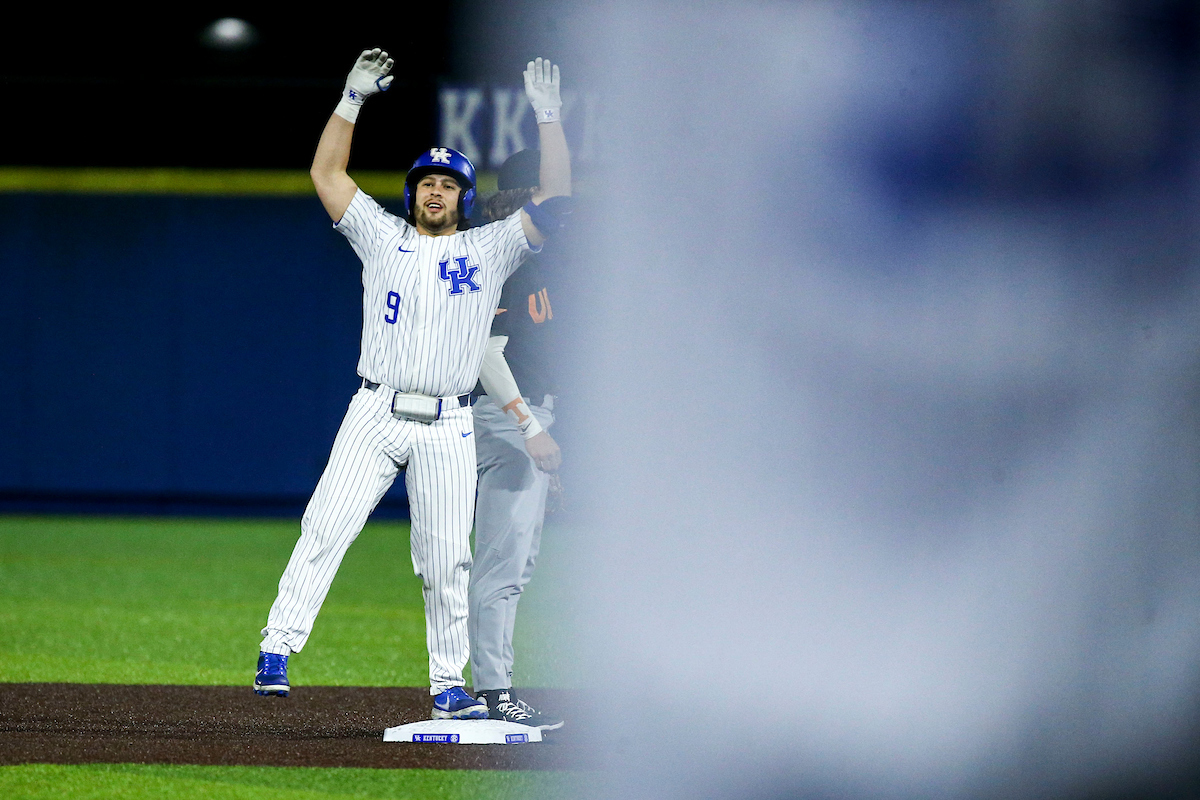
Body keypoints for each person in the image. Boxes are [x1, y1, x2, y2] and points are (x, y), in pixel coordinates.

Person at [253, 48, 572, 722]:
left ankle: (448, 685)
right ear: (411, 194)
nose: (435, 191)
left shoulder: (490, 248)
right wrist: (350, 99)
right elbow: (326, 173)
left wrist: (549, 118)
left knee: (446, 560)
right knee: (325, 526)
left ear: (463, 198)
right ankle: (276, 647)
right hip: (375, 410)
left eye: (448, 184)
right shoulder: (381, 236)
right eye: (426, 181)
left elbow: (554, 200)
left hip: (451, 422)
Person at [468, 149, 568, 730]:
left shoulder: (528, 257)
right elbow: (487, 354)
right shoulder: (503, 257)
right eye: (547, 197)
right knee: (501, 565)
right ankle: (492, 694)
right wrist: (530, 429)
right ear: (527, 197)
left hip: (528, 419)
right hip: (509, 419)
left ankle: (495, 689)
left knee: (518, 564)